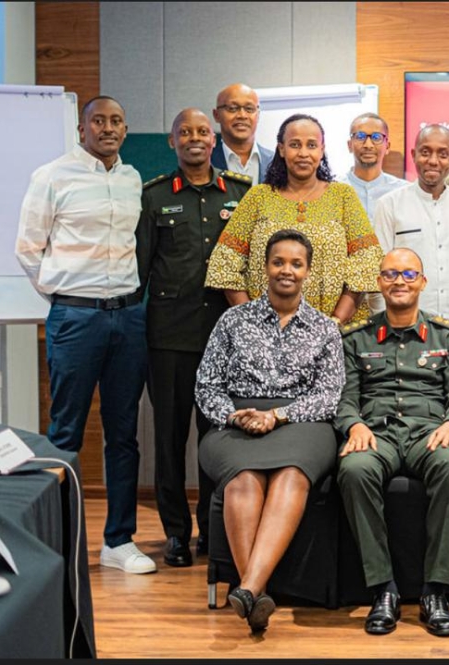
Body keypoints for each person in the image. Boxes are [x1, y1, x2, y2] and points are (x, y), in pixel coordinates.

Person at [15, 96, 155, 574]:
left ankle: (118, 541)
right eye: (99, 120)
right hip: (76, 319)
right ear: (82, 128)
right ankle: (59, 543)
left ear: (125, 127)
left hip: (129, 318)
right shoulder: (52, 176)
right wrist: (65, 293)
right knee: (65, 433)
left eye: (116, 120)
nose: (108, 128)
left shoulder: (133, 178)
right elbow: (28, 249)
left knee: (123, 434)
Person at [196, 229, 344, 633]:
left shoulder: (324, 328)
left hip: (302, 423)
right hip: (236, 421)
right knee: (241, 480)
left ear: (308, 272)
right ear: (265, 267)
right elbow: (206, 384)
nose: (286, 271)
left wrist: (278, 415)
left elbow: (329, 395)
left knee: (291, 475)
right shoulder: (233, 320)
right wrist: (232, 415)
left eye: (296, 264)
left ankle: (248, 589)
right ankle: (254, 595)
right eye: (278, 262)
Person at [136, 108, 253, 567]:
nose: (195, 139)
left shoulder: (242, 195)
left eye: (203, 131)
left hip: (225, 340)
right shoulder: (155, 196)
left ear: (215, 138)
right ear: (172, 142)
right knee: (169, 439)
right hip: (168, 338)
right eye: (185, 133)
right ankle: (176, 534)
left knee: (218, 437)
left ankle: (212, 527)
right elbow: (141, 270)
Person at [335, 248, 449, 638]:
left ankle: (435, 592)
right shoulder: (356, 338)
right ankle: (383, 591)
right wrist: (354, 426)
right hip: (376, 433)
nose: (400, 281)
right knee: (354, 468)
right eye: (391, 274)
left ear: (423, 282)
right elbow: (345, 398)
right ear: (379, 283)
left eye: (410, 274)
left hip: (429, 432)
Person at [205, 113, 383, 325]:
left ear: (322, 149)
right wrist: (253, 323)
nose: (303, 153)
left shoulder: (343, 196)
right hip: (266, 335)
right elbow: (225, 265)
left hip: (334, 332)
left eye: (311, 145)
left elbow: (366, 263)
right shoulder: (258, 197)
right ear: (281, 149)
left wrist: (333, 323)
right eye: (295, 145)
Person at [371, 124, 449, 328]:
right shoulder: (389, 205)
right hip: (404, 327)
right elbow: (379, 270)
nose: (433, 161)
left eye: (443, 154)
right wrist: (382, 324)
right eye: (425, 152)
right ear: (414, 155)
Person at [342, 112, 406, 219]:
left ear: (387, 147)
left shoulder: (402, 192)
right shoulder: (332, 189)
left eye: (376, 137)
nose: (368, 145)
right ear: (349, 145)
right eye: (360, 136)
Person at [210, 83, 274, 185]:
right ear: (216, 115)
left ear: (258, 115)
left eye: (249, 109)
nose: (242, 115)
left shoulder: (276, 162)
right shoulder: (206, 163)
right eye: (232, 108)